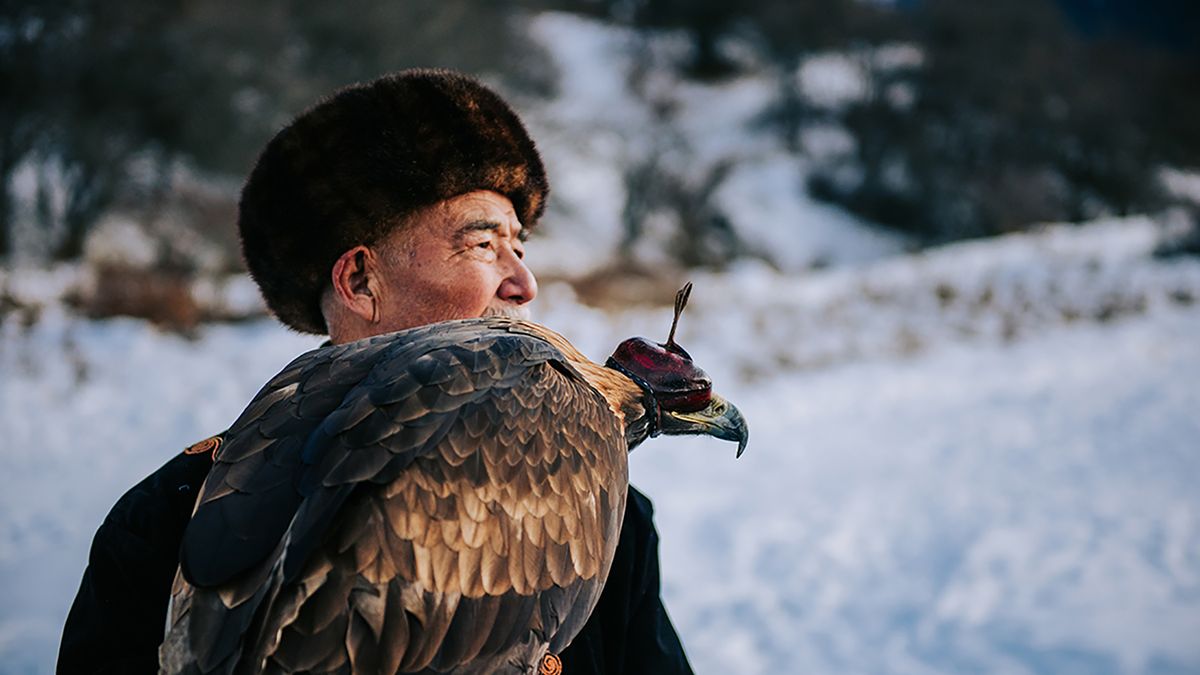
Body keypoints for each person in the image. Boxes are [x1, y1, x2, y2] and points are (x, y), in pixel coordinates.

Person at [57, 69, 693, 674]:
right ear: (361, 280)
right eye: (482, 244)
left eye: (519, 246)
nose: (524, 283)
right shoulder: (165, 521)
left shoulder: (601, 507)